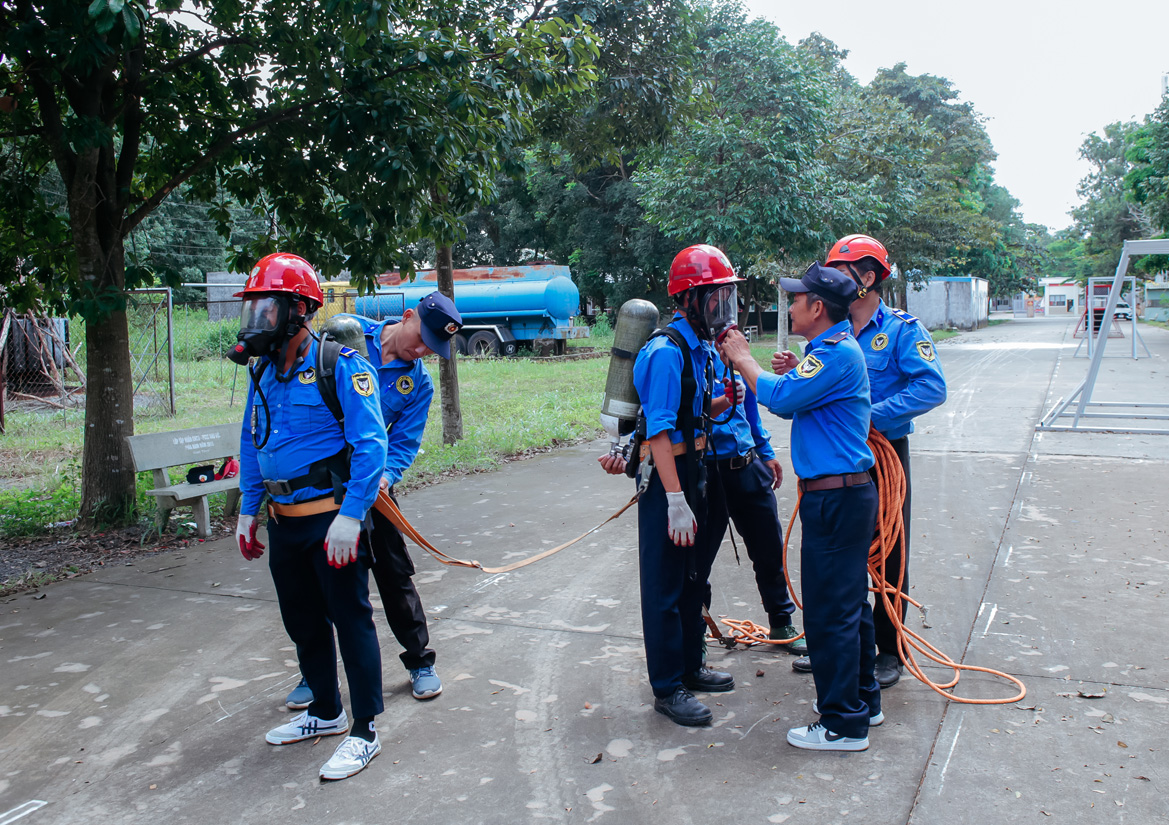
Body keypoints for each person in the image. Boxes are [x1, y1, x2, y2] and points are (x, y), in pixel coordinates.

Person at [232, 253, 388, 780]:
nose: (257, 322)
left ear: (299, 310)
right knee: (302, 622)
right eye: (253, 310)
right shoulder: (263, 373)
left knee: (350, 620)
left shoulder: (340, 365)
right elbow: (252, 443)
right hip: (283, 522)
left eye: (267, 309)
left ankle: (364, 731)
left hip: (330, 522)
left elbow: (371, 445)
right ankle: (325, 711)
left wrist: (351, 516)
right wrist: (247, 510)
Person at [718, 262, 880, 752]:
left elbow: (782, 401)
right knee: (850, 604)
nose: (789, 306)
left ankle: (841, 723)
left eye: (796, 299)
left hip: (835, 499)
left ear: (817, 308)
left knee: (830, 612)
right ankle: (862, 701)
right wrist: (792, 372)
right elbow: (804, 391)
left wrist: (746, 360)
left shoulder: (834, 352)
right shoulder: (828, 350)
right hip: (844, 495)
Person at [284, 293, 463, 710]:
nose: (421, 352)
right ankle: (315, 676)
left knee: (394, 573)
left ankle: (419, 661)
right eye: (421, 340)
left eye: (431, 350)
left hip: (374, 486)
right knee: (318, 581)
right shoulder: (345, 332)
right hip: (321, 484)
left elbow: (403, 443)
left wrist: (384, 477)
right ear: (407, 316)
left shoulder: (417, 383)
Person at [788, 235, 946, 688]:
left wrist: (870, 414)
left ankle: (889, 651)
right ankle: (841, 647)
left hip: (885, 455)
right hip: (840, 457)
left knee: (889, 552)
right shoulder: (827, 332)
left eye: (843, 272)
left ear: (869, 277)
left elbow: (931, 387)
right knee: (843, 556)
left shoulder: (900, 329)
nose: (834, 281)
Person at [613, 244, 744, 727]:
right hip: (670, 479)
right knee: (666, 584)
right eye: (714, 299)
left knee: (694, 578)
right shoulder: (666, 352)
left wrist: (716, 405)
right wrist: (674, 499)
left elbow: (689, 416)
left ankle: (691, 665)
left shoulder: (700, 349)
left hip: (698, 472)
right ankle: (667, 687)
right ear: (688, 299)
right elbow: (660, 432)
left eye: (725, 298)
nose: (722, 309)